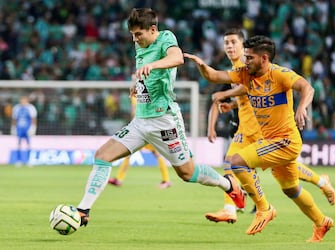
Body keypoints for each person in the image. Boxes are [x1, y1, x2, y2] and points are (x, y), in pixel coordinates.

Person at [76, 8, 246, 228]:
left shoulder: (166, 37)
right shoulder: (140, 45)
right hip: (140, 122)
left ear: (153, 29)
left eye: (138, 34)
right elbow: (146, 74)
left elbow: (177, 58)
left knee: (188, 173)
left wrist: (153, 65)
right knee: (102, 156)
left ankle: (229, 184)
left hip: (165, 120)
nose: (134, 39)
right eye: (132, 35)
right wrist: (137, 85)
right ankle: (83, 210)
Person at [184, 35, 334, 242]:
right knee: (291, 190)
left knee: (236, 163)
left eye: (250, 57)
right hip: (270, 140)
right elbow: (214, 76)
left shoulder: (280, 74)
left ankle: (265, 208)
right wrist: (201, 65)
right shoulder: (246, 75)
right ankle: (321, 222)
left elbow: (307, 88)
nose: (246, 61)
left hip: (286, 141)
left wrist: (301, 107)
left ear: (264, 58)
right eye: (245, 57)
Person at [108, 96, 171, 189]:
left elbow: (135, 112)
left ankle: (166, 180)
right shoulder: (145, 94)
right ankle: (119, 179)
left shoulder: (138, 96)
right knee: (130, 154)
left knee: (154, 154)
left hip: (144, 129)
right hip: (144, 128)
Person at [11, 95, 37, 166]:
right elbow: (14, 119)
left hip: (27, 128)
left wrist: (33, 127)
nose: (23, 101)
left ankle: (29, 160)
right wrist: (13, 128)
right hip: (19, 128)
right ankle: (18, 160)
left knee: (28, 144)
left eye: (24, 100)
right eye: (22, 100)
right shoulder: (16, 108)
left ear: (27, 100)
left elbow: (33, 118)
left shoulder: (31, 108)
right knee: (18, 144)